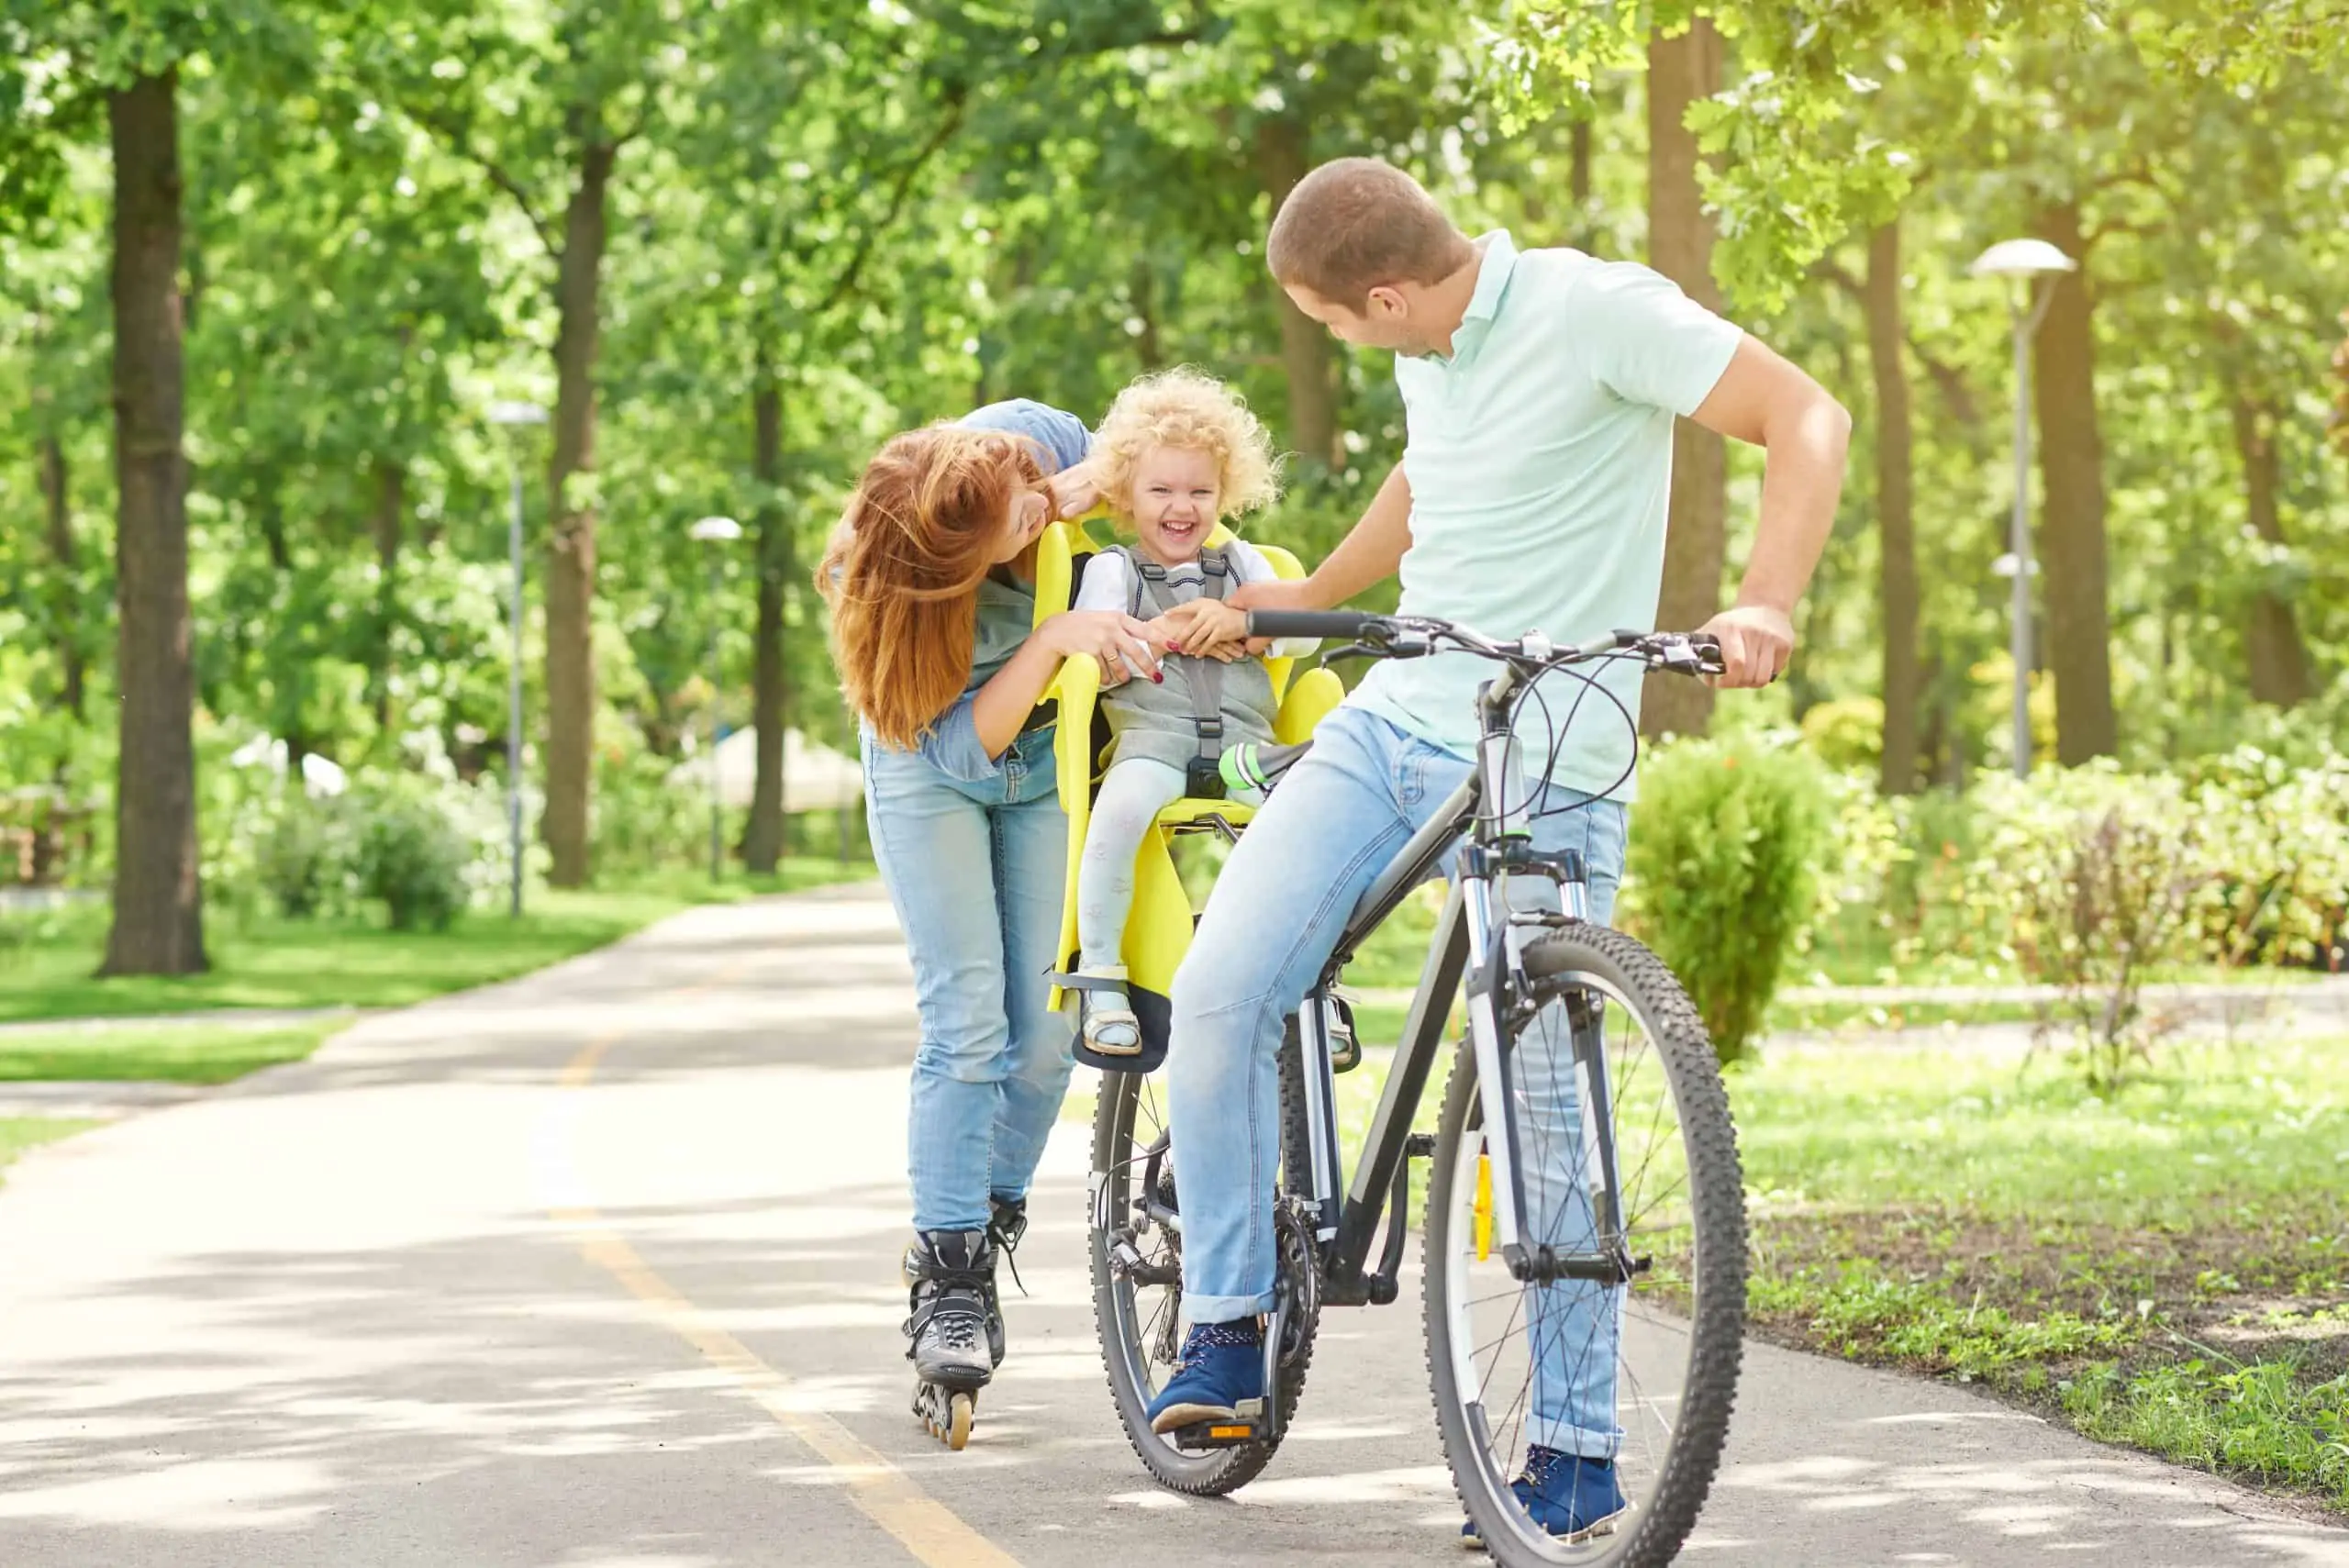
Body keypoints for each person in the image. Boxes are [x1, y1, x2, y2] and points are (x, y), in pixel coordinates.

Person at [1141, 158, 1851, 1540]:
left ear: (1390, 293)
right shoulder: (1438, 346)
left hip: (1556, 746)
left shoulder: (1600, 313)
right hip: (1400, 713)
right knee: (1223, 991)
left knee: (1548, 1118)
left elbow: (1804, 413)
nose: (1345, 342)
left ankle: (1576, 1450)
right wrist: (1306, 596)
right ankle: (1226, 1320)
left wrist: (1766, 602)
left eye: (1340, 322)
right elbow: (1433, 475)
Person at [818, 399, 1163, 1429]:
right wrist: (1054, 637)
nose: (1029, 527)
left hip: (1046, 763)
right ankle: (952, 1272)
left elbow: (1140, 458)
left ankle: (988, 1203)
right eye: (1008, 535)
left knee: (1051, 1026)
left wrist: (1092, 482)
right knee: (969, 1021)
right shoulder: (905, 616)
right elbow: (965, 747)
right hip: (942, 765)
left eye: (1027, 504)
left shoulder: (1023, 442)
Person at [1063, 368, 1317, 1058]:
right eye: (1162, 490)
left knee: (1312, 830)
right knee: (1116, 817)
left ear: (1224, 494)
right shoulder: (1116, 569)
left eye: (1201, 491)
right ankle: (1104, 977)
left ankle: (1315, 984)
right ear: (1127, 493)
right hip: (1154, 740)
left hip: (1245, 747)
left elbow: (1305, 632)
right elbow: (1090, 641)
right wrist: (1144, 637)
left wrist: (1247, 621)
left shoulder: (1239, 561)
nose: (1183, 507)